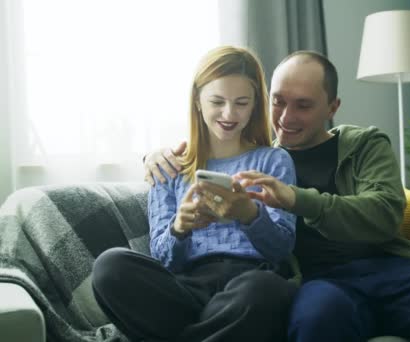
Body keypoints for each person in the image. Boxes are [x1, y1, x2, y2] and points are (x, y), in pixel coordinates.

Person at [144, 51, 410, 342]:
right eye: (278, 101)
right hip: (316, 281)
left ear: (332, 107)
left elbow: (385, 212)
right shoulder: (262, 159)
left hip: (389, 268)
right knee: (317, 320)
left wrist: (295, 198)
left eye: (303, 105)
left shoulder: (364, 144)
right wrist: (153, 156)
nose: (285, 117)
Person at [93, 46, 298, 342]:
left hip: (250, 282)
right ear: (198, 102)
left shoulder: (273, 161)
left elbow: (281, 249)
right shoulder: (170, 167)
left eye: (242, 103)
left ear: (255, 105)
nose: (229, 114)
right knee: (110, 266)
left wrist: (250, 215)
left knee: (266, 290)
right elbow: (165, 260)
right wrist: (180, 228)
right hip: (187, 287)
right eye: (217, 101)